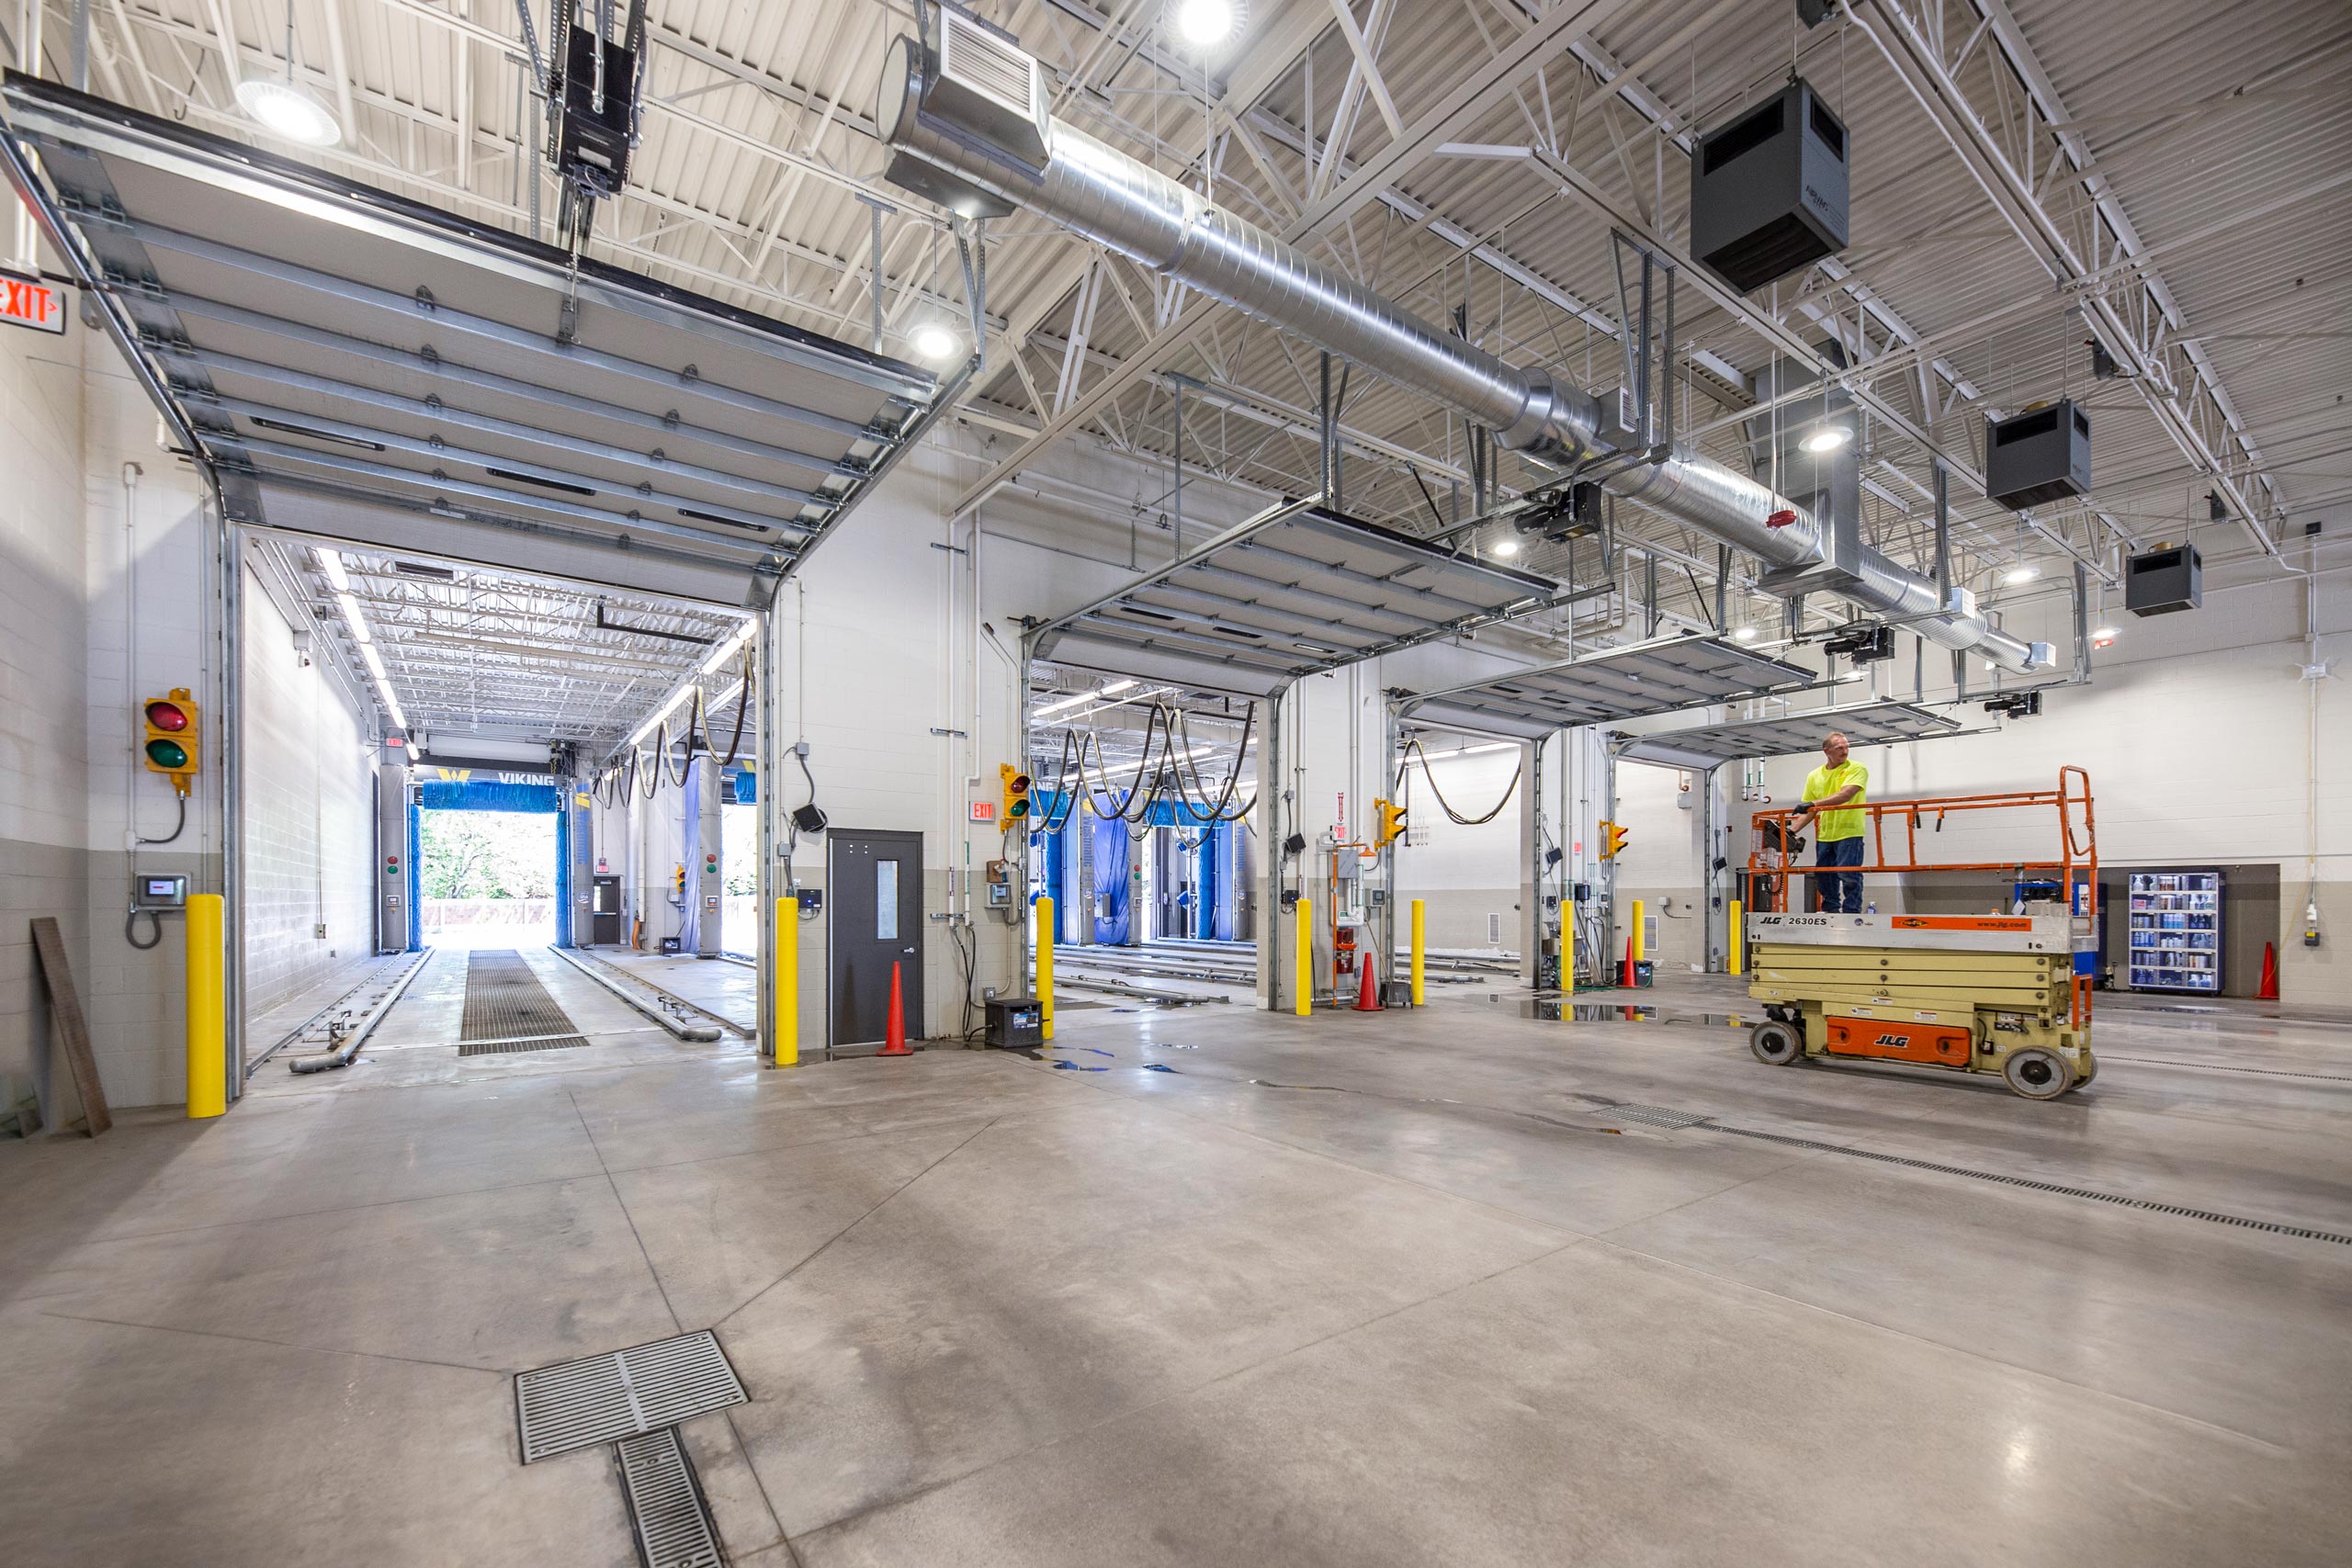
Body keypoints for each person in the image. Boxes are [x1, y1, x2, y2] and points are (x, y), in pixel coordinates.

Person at [1793, 731, 1869, 914]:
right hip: (1826, 834)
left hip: (1850, 832)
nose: (1845, 751)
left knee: (1848, 874)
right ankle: (1830, 910)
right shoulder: (1814, 776)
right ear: (1826, 751)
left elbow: (1845, 795)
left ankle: (1851, 911)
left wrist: (1813, 804)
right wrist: (1791, 831)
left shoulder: (1856, 768)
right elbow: (1809, 811)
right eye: (1840, 748)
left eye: (1846, 747)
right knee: (1824, 875)